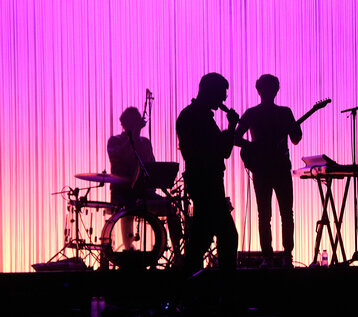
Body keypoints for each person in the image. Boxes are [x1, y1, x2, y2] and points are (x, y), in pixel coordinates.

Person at [235, 74, 302, 268]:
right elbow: (296, 138)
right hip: (274, 167)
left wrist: (253, 147)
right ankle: (281, 256)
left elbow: (236, 138)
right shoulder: (282, 112)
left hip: (270, 168)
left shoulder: (255, 113)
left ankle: (271, 257)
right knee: (281, 213)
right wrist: (254, 147)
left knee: (268, 214)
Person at [176, 72, 239, 275]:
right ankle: (225, 286)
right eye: (221, 93)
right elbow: (222, 151)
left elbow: (222, 151)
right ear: (209, 91)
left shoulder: (191, 115)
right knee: (226, 235)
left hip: (203, 180)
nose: (224, 99)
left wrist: (228, 130)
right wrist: (230, 127)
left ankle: (190, 281)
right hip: (206, 182)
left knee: (202, 236)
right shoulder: (196, 117)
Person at [107, 107, 182, 255]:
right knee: (127, 210)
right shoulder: (114, 141)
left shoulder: (145, 143)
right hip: (123, 193)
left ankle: (176, 252)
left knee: (171, 208)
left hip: (144, 193)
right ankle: (128, 250)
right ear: (125, 124)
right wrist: (133, 136)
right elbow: (118, 156)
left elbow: (151, 166)